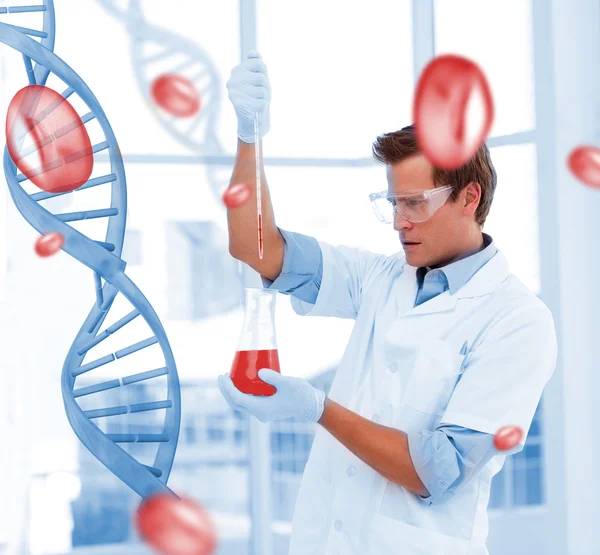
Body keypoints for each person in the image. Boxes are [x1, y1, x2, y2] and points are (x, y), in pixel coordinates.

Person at [218, 51, 558, 555]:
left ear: (470, 197)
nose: (400, 222)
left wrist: (316, 408)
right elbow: (256, 247)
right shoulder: (381, 277)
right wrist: (251, 140)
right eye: (393, 203)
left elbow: (437, 470)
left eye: (416, 204)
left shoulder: (517, 322)